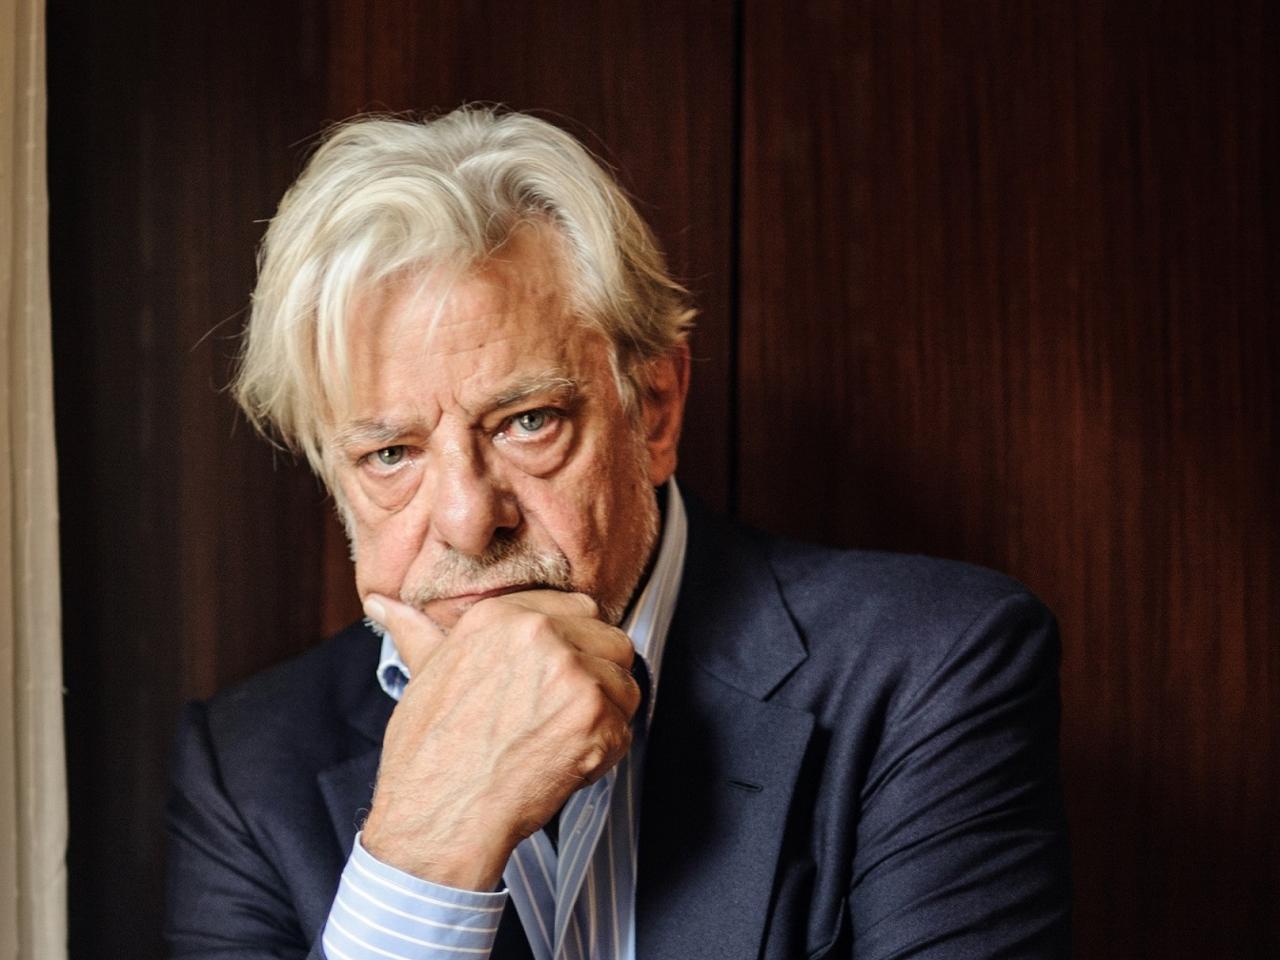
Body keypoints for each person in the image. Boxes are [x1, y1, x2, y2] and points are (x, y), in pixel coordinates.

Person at [165, 106, 1070, 960]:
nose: (470, 521)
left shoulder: (930, 670)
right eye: (391, 454)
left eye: (527, 422)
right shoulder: (244, 770)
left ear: (656, 410)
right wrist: (421, 853)